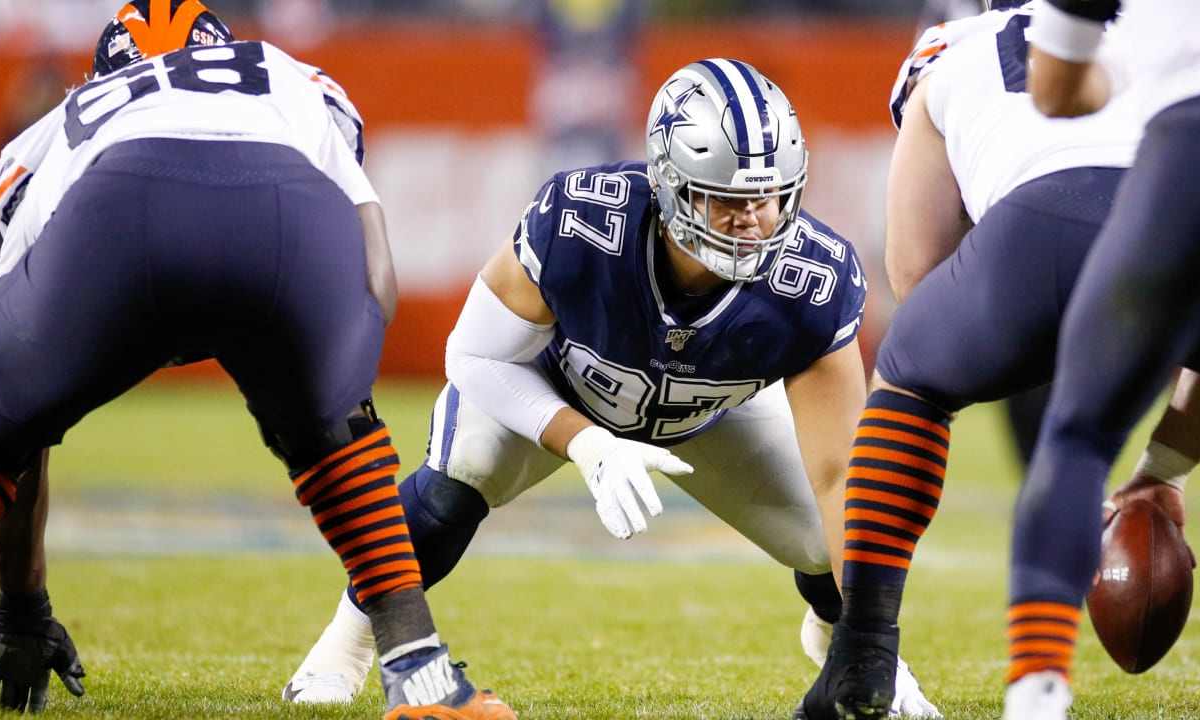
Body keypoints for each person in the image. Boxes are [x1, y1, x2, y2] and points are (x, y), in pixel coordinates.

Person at [281, 58, 940, 718]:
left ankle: (840, 640)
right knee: (461, 470)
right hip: (555, 383)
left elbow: (839, 475)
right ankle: (344, 646)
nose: (752, 221)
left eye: (766, 198)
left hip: (702, 414)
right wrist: (589, 443)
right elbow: (474, 357)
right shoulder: (583, 222)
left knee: (835, 533)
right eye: (726, 200)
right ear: (670, 183)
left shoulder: (811, 281)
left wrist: (870, 638)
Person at [0, 2, 513, 718]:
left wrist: (22, 610)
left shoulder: (65, 121)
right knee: (335, 429)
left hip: (118, 214)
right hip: (284, 218)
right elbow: (369, 247)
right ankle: (422, 675)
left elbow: (21, 406)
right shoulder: (291, 76)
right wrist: (333, 395)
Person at [796, 2, 1200, 718]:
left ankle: (868, 647)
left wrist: (1014, 324)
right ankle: (1161, 473)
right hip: (1179, 213)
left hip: (1037, 230)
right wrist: (1164, 469)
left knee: (913, 370)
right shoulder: (1156, 24)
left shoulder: (950, 49)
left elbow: (914, 270)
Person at [1002, 0, 1200, 717]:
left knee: (1078, 431)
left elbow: (1054, 89)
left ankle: (1039, 688)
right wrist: (1163, 471)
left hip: (1192, 145)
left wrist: (1125, 74)